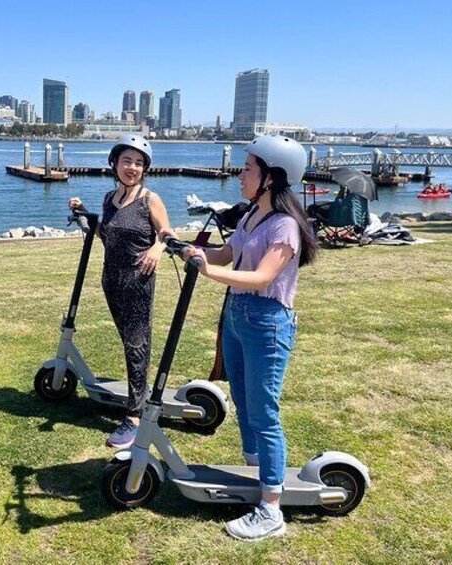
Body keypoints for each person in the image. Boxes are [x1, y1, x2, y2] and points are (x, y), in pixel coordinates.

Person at [162, 135, 318, 541]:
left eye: (248, 168)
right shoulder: (252, 215)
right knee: (245, 404)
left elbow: (261, 277)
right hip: (237, 316)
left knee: (264, 411)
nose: (241, 174)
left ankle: (270, 509)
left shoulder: (285, 227)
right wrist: (189, 251)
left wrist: (208, 271)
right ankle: (256, 473)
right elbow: (227, 253)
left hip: (267, 322)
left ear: (271, 177)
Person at [68, 135, 172, 449]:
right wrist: (85, 212)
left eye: (139, 163)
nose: (132, 167)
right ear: (115, 163)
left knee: (137, 346)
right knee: (128, 344)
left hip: (138, 282)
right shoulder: (109, 198)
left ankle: (135, 417)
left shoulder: (148, 199)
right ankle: (137, 399)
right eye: (127, 160)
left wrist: (157, 247)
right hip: (111, 281)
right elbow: (106, 237)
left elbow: (168, 232)